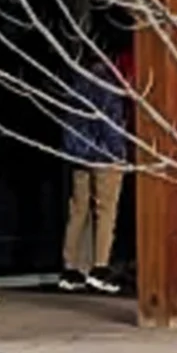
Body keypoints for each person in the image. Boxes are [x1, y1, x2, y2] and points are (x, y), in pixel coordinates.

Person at [58, 43, 132, 295]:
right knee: (106, 209)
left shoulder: (77, 81)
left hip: (78, 153)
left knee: (78, 209)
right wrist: (119, 153)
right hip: (105, 154)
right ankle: (100, 267)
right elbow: (110, 122)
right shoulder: (107, 83)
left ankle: (71, 267)